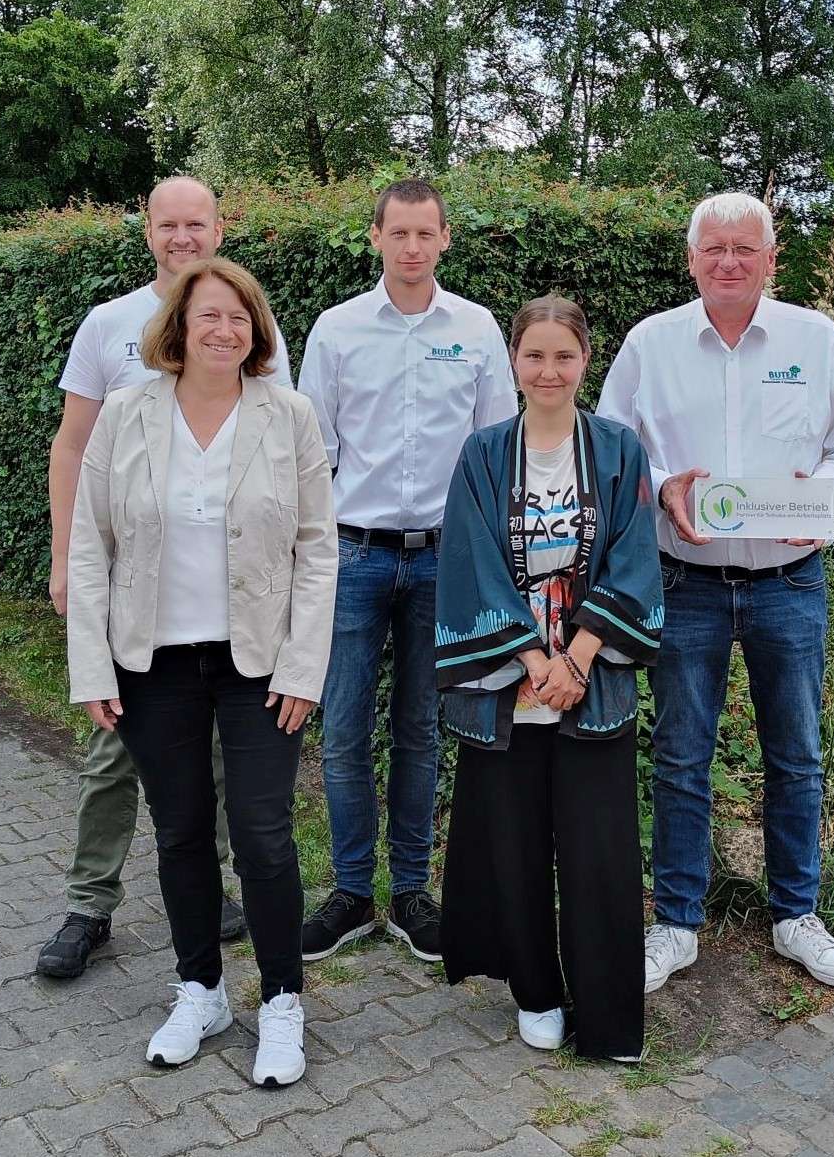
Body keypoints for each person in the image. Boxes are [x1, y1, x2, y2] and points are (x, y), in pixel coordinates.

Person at [597, 192, 834, 993]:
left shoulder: (814, 339)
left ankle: (797, 914)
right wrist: (661, 486)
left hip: (787, 583)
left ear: (770, 259)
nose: (729, 261)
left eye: (744, 249)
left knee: (797, 753)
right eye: (714, 248)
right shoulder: (650, 344)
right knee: (681, 755)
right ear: (691, 260)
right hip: (683, 581)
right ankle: (676, 921)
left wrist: (820, 495)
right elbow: (612, 447)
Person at [68, 258, 336, 1086]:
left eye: (239, 317)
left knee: (261, 833)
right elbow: (89, 543)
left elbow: (319, 548)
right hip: (153, 661)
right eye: (208, 314)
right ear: (178, 326)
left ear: (257, 332)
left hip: (259, 664)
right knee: (181, 831)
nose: (224, 329)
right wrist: (93, 665)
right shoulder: (127, 412)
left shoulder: (289, 414)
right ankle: (202, 990)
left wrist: (304, 667)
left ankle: (282, 1000)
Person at [37, 176, 295, 980]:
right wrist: (65, 555)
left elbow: (276, 456)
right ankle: (90, 902)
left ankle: (209, 895)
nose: (183, 236)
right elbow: (73, 446)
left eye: (196, 223)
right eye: (168, 224)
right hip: (135, 589)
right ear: (147, 231)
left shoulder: (250, 322)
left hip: (227, 599)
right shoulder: (108, 324)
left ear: (220, 228)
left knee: (215, 759)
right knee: (113, 750)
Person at [296, 178, 517, 964]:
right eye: (400, 233)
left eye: (426, 233)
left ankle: (413, 891)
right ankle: (352, 892)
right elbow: (311, 454)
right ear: (376, 237)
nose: (413, 247)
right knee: (344, 726)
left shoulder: (478, 328)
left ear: (446, 237)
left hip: (442, 559)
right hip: (353, 554)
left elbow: (497, 453)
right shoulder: (337, 330)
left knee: (421, 728)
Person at [434, 296, 662, 1060]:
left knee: (600, 853)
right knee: (516, 845)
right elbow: (470, 559)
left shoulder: (619, 449)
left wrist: (579, 656)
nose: (549, 370)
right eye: (534, 354)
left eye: (564, 355)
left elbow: (635, 556)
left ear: (586, 360)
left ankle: (606, 1016)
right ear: (513, 360)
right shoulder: (483, 454)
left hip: (592, 681)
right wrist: (534, 660)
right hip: (512, 685)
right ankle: (535, 991)